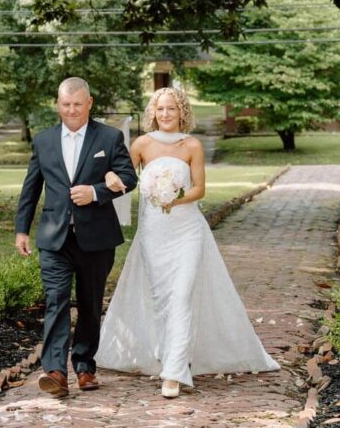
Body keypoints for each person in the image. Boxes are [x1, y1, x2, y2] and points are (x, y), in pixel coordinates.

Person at [95, 85, 280, 398]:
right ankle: (163, 352)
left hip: (187, 231)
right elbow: (124, 176)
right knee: (160, 298)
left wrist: (175, 196)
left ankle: (174, 372)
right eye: (160, 109)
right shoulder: (142, 144)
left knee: (181, 296)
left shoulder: (191, 145)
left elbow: (199, 190)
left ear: (182, 112)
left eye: (172, 108)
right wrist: (111, 178)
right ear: (153, 112)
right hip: (154, 233)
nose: (166, 114)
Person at [15, 77, 138, 398]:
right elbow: (31, 188)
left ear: (89, 103)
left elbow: (128, 178)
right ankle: (55, 371)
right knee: (56, 301)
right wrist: (21, 229)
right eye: (65, 104)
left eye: (77, 105)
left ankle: (84, 366)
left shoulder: (109, 138)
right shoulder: (43, 141)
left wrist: (96, 192)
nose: (71, 110)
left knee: (89, 302)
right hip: (54, 238)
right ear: (58, 104)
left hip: (97, 238)